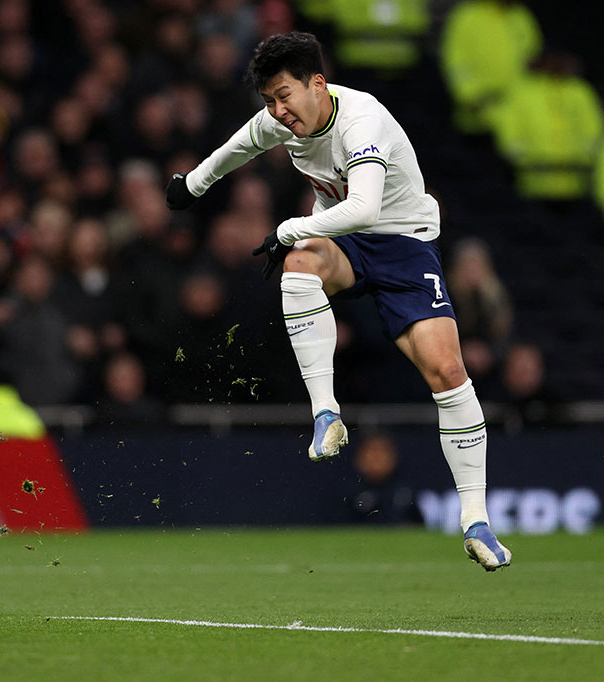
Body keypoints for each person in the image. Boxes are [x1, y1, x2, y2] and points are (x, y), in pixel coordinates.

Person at [165, 32, 510, 571]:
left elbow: (366, 207)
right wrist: (193, 186)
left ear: (317, 84)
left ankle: (476, 521)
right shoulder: (281, 120)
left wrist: (287, 227)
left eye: (285, 96)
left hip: (402, 244)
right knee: (300, 264)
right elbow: (238, 146)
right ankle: (326, 412)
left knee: (447, 371)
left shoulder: (361, 122)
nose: (278, 111)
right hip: (343, 241)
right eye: (270, 101)